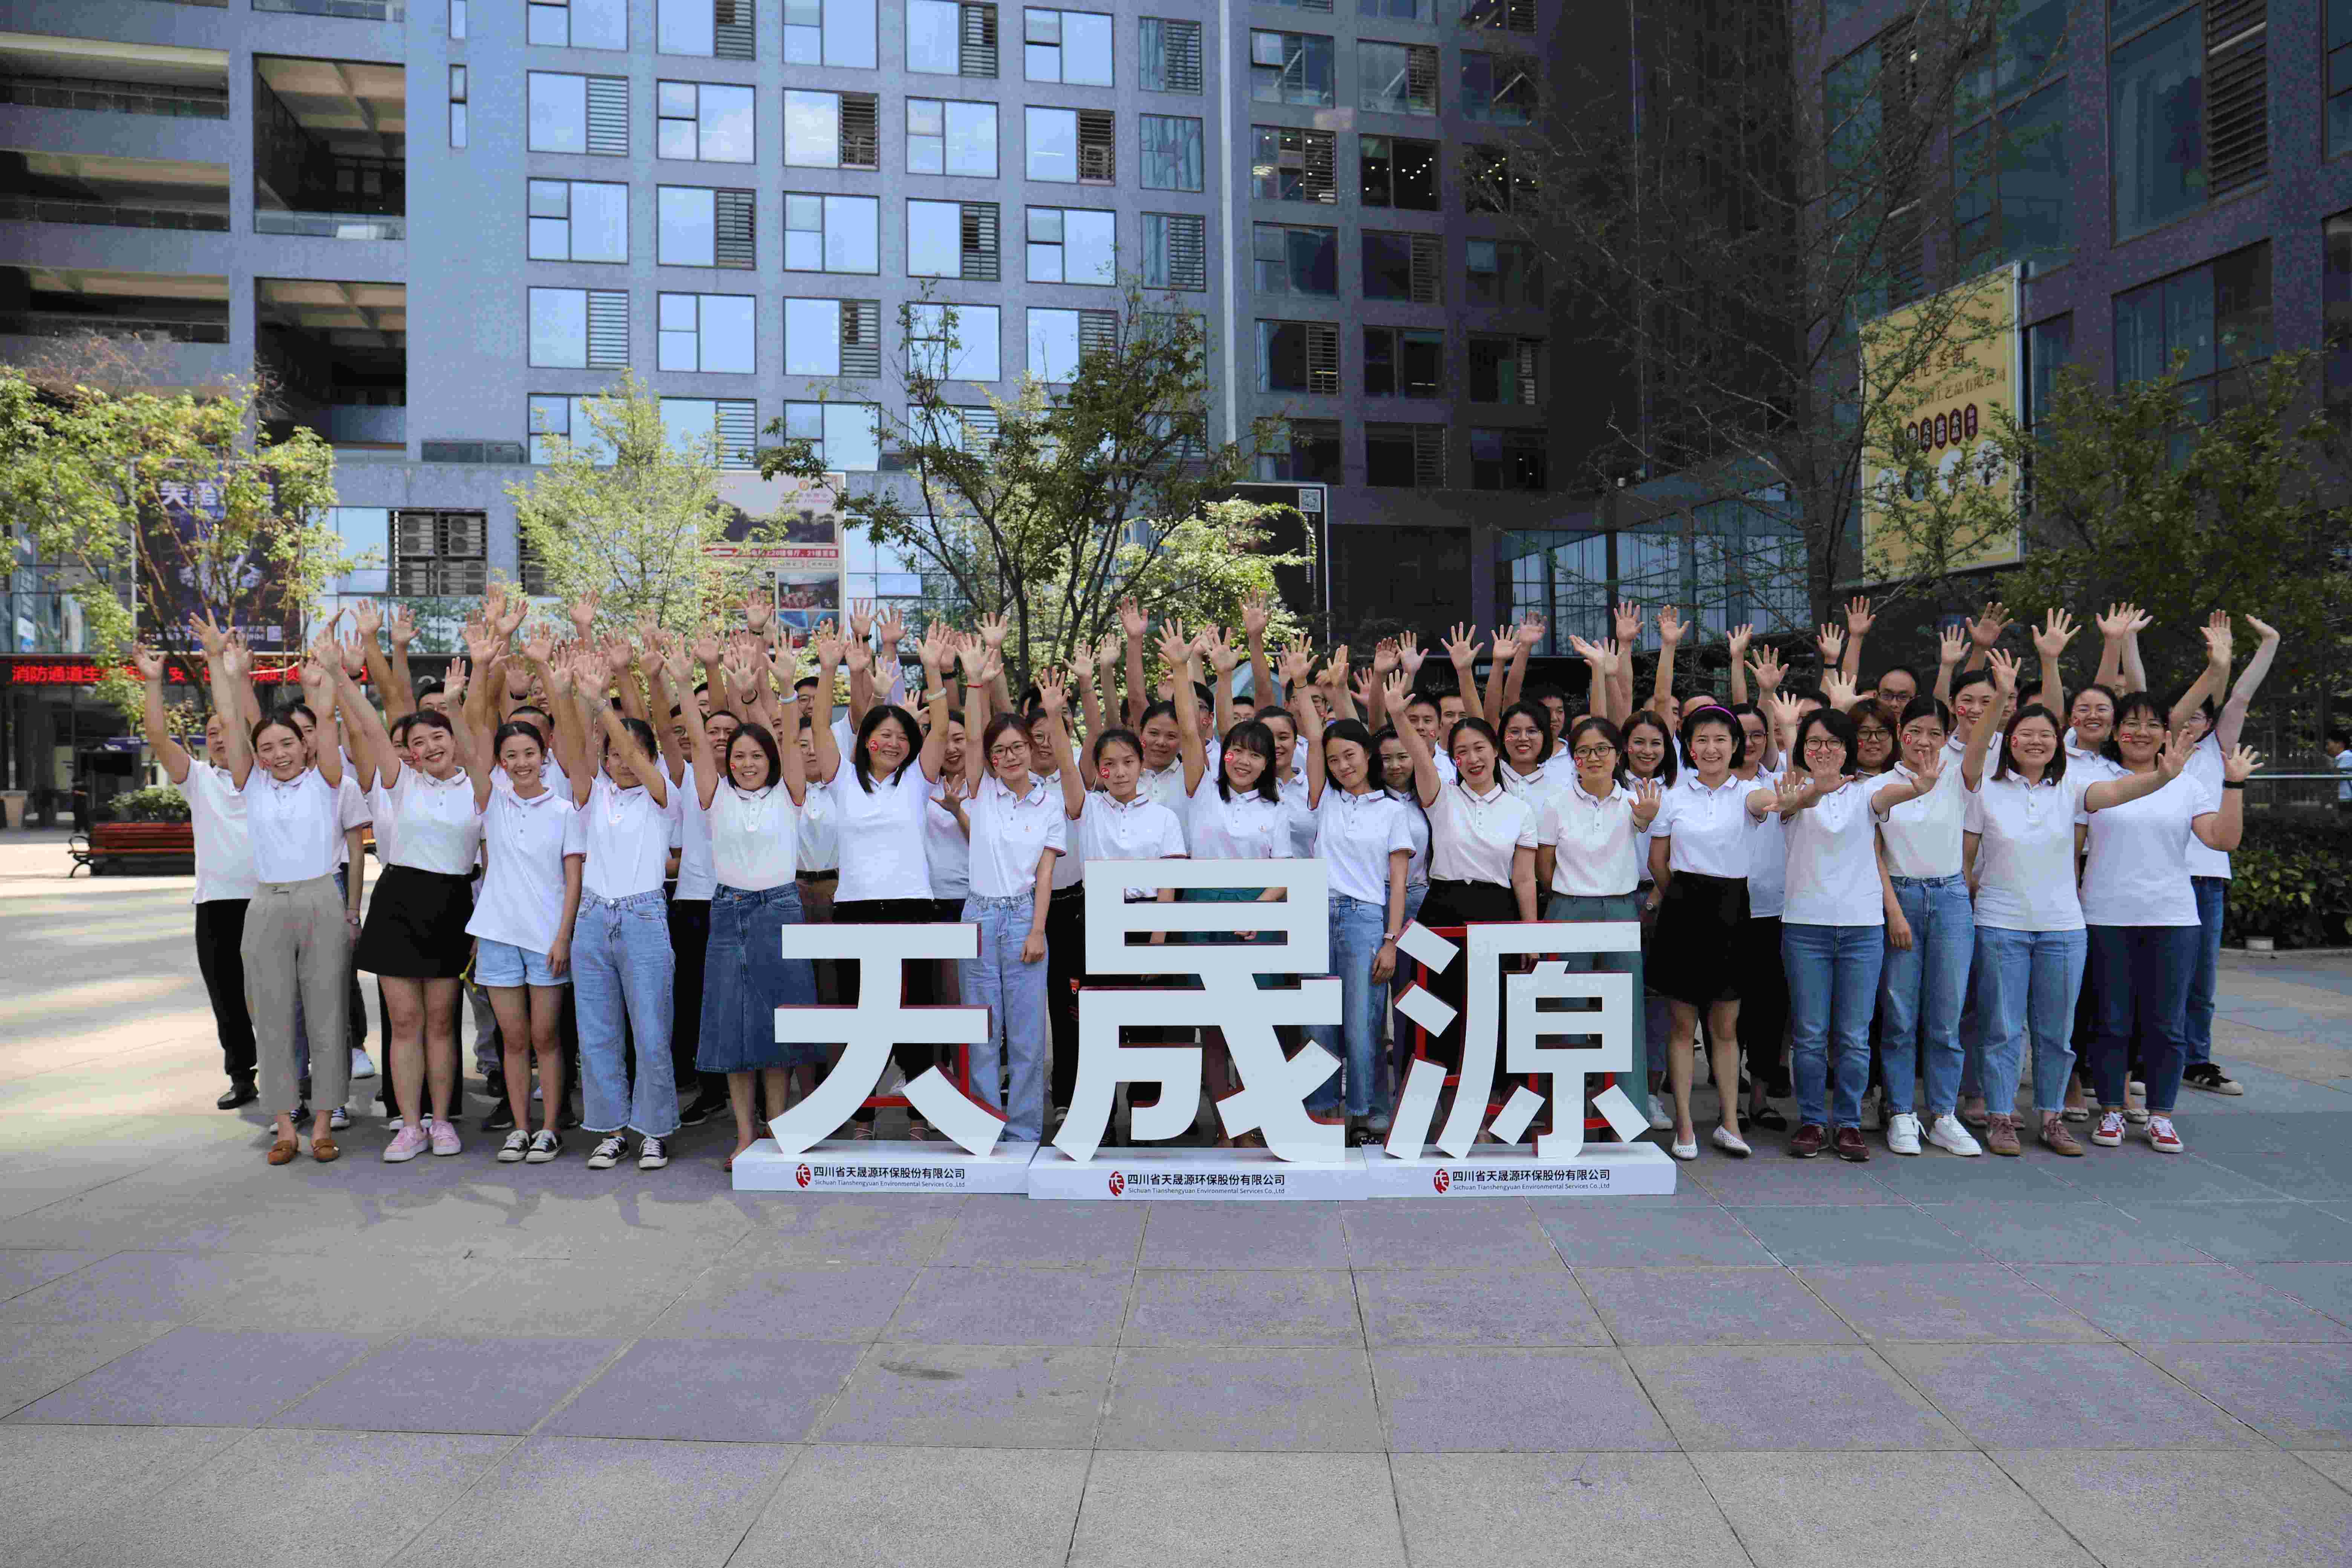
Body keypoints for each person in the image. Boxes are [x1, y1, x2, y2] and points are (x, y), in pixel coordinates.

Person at [1962, 649, 2188, 1157]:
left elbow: (2119, 791)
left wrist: (2162, 777)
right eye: (2025, 733)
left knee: (2056, 1033)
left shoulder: (2074, 787)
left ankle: (2051, 1117)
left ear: (2057, 742)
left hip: (2064, 929)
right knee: (2001, 1030)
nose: (2036, 741)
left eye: (2045, 734)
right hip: (2000, 926)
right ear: (2010, 741)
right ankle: (2001, 1117)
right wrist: (2003, 694)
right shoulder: (1985, 790)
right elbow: (1965, 862)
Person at [2080, 681, 2251, 1155]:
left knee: (2166, 1024)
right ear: (2116, 730)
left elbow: (2222, 839)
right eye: (2131, 723)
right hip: (2106, 915)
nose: (2141, 731)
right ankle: (2111, 1109)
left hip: (2173, 918)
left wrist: (2234, 784)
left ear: (2166, 733)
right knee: (2111, 1020)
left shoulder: (2189, 783)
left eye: (2152, 724)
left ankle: (2161, 1115)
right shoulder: (2092, 774)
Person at [203, 620, 351, 1165]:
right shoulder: (254, 784)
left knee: (327, 1013)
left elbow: (327, 718)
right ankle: (285, 1124)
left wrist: (329, 674)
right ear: (258, 755)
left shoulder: (327, 779)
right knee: (271, 1015)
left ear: (304, 745)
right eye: (267, 747)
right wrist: (220, 664)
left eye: (288, 742)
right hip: (266, 904)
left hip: (320, 899)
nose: (279, 753)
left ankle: (324, 1123)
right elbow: (230, 720)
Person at [331, 650, 482, 1162]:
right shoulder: (401, 783)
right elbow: (371, 727)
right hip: (399, 903)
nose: (430, 746)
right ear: (410, 754)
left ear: (454, 740)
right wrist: (340, 674)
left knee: (441, 1024)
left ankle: (442, 1122)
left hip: (452, 906)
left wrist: (455, 703)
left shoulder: (479, 788)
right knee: (405, 1023)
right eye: (418, 742)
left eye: (438, 736)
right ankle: (411, 1126)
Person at [807, 622, 957, 1138]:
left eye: (901, 736)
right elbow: (821, 729)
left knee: (916, 1014)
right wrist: (829, 669)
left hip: (912, 909)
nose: (892, 742)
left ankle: (920, 1116)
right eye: (883, 734)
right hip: (856, 911)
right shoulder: (843, 781)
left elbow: (941, 730)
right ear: (866, 740)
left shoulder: (917, 781)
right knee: (862, 1019)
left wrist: (933, 671)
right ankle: (862, 1117)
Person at [1775, 706, 1944, 1162]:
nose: (1824, 750)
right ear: (1803, 748)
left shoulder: (1866, 790)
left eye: (1833, 742)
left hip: (1862, 928)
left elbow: (1888, 795)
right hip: (1805, 927)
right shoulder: (1794, 790)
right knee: (1810, 1034)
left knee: (1853, 1034)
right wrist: (1815, 786)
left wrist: (1918, 788)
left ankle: (1848, 1122)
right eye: (1814, 742)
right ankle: (1812, 1120)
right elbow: (1794, 805)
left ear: (1847, 748)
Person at [1387, 640, 1538, 1110]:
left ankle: (1489, 1107)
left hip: (1496, 911)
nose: (1472, 758)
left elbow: (1524, 879)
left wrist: (1530, 935)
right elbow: (1418, 751)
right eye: (1462, 751)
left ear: (1495, 751)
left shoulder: (1519, 809)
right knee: (1434, 1010)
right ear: (1452, 758)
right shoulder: (1441, 795)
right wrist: (1397, 714)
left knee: (1493, 1013)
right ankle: (1435, 1106)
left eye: (1480, 748)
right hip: (1441, 908)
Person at [1165, 624, 1296, 1142]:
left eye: (1255, 755)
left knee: (1255, 1025)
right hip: (1203, 913)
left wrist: (1257, 911)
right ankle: (1226, 1124)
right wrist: (1182, 669)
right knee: (1214, 1027)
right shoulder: (1202, 788)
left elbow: (1284, 872)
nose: (1243, 761)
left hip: (1255, 920)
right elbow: (1190, 731)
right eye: (1236, 751)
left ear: (1268, 764)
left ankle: (1256, 1119)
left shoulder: (1275, 810)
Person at [691, 642, 818, 1168]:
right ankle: (744, 1134)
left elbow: (789, 739)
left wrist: (786, 688)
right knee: (732, 1027)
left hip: (780, 910)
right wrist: (684, 681)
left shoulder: (789, 793)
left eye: (756, 756)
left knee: (779, 1027)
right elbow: (697, 734)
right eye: (738, 756)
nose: (746, 764)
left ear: (772, 761)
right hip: (728, 913)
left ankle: (778, 1127)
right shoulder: (714, 794)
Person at [564, 645, 684, 1171]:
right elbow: (578, 749)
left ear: (648, 757)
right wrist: (575, 696)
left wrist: (603, 705)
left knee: (652, 1031)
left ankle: (654, 1129)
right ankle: (611, 1130)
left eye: (632, 753)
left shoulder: (663, 794)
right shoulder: (593, 794)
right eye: (612, 754)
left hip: (643, 918)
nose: (621, 761)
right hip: (593, 919)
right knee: (597, 1032)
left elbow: (635, 758)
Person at [1646, 705, 1776, 1159]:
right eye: (1702, 739)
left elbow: (1770, 803)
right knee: (1682, 1025)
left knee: (1725, 1025)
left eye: (1721, 739)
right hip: (1683, 910)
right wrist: (1682, 898)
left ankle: (1729, 1122)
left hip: (1732, 909)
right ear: (1690, 746)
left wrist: (1802, 796)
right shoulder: (1673, 796)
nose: (1711, 748)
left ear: (1735, 745)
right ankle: (1684, 1124)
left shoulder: (1749, 791)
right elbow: (1657, 861)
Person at [461, 686, 583, 1167]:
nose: (521, 762)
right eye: (511, 755)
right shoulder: (493, 802)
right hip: (498, 937)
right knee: (513, 1041)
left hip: (546, 940)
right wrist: (455, 700)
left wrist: (563, 936)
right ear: (501, 762)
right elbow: (468, 745)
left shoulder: (565, 810)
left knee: (546, 1037)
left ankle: (550, 1128)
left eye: (529, 753)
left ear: (544, 754)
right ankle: (520, 1127)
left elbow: (573, 881)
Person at [950, 658, 1069, 1142]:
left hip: (1024, 915)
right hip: (978, 914)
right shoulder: (982, 791)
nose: (1011, 755)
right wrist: (975, 681)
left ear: (1032, 748)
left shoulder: (1050, 802)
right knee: (982, 1030)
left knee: (1026, 1034)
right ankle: (983, 1127)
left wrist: (1038, 929)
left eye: (1018, 746)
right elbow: (972, 734)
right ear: (991, 759)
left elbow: (1046, 873)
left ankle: (1022, 1132)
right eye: (1000, 750)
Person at [1536, 715, 1661, 1139]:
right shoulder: (1555, 803)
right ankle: (1568, 1117)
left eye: (1602, 749)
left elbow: (1643, 827)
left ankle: (1627, 1122)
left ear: (1618, 754)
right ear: (1573, 758)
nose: (1593, 758)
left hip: (1621, 910)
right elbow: (1544, 868)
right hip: (1568, 908)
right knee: (1566, 1014)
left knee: (1624, 1016)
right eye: (1584, 751)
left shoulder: (1634, 802)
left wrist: (1646, 818)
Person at [1300, 701, 1415, 1144]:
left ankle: (1363, 1115)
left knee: (1362, 1021)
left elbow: (1398, 883)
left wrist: (1391, 940)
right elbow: (1314, 738)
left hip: (1365, 919)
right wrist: (1303, 686)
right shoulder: (1325, 799)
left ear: (1368, 754)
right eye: (1333, 760)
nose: (1342, 765)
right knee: (1317, 1021)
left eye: (1350, 754)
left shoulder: (1393, 810)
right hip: (1315, 914)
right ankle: (1321, 1112)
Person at [2174, 614, 2278, 1097]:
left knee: (2202, 981)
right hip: (2163, 877)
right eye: (2185, 714)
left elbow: (2240, 697)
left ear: (2211, 722)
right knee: (2155, 976)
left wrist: (2267, 644)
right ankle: (2146, 1058)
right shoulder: (2157, 750)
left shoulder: (2217, 749)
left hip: (2208, 878)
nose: (2191, 722)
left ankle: (2196, 1059)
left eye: (2200, 716)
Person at [1873, 695, 1980, 1157]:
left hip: (1951, 898)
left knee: (1946, 1016)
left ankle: (1943, 1114)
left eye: (1935, 733)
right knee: (1899, 1015)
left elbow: (1981, 738)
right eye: (1915, 731)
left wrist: (2000, 693)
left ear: (1947, 737)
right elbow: (1875, 854)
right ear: (1901, 734)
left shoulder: (1958, 775)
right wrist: (1894, 911)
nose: (1924, 741)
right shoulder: (1880, 784)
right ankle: (1901, 1111)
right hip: (1902, 896)